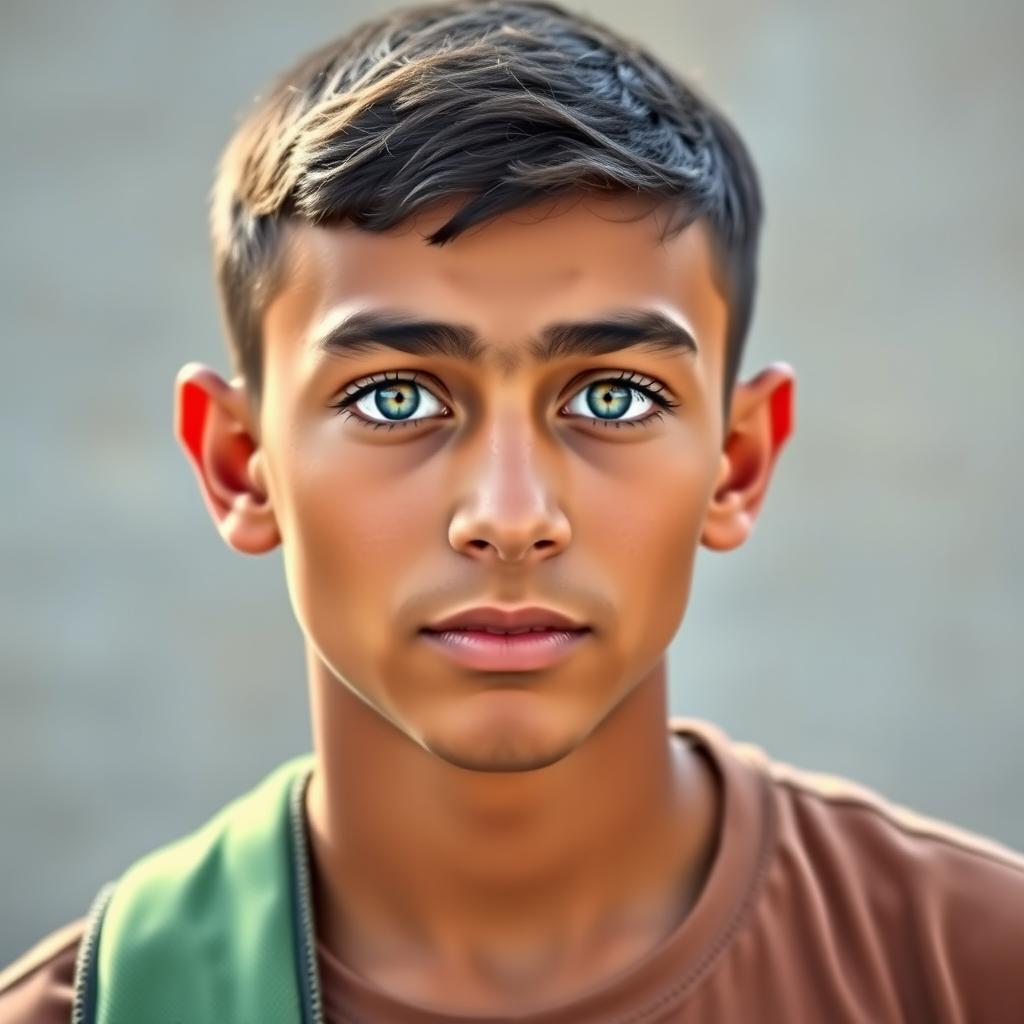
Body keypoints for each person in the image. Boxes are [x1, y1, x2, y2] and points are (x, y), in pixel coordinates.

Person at [3, 1, 1022, 1020]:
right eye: (394, 396)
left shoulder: (971, 968)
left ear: (737, 461)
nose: (508, 516)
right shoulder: (96, 1006)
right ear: (239, 463)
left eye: (611, 396)